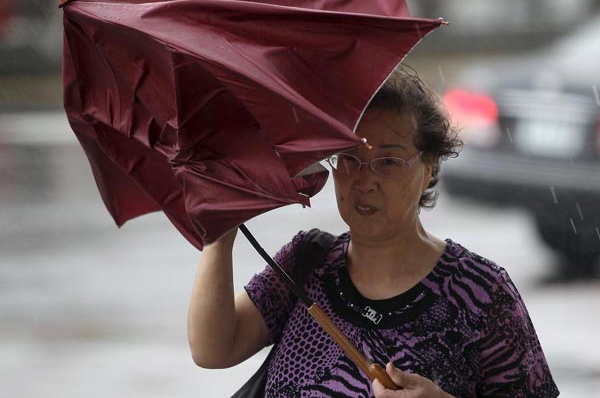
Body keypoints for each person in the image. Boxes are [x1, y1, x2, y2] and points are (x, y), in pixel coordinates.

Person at [187, 65, 559, 398]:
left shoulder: (480, 292)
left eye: (389, 161)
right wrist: (219, 235)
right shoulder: (307, 261)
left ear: (428, 166)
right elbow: (214, 348)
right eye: (349, 159)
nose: (365, 180)